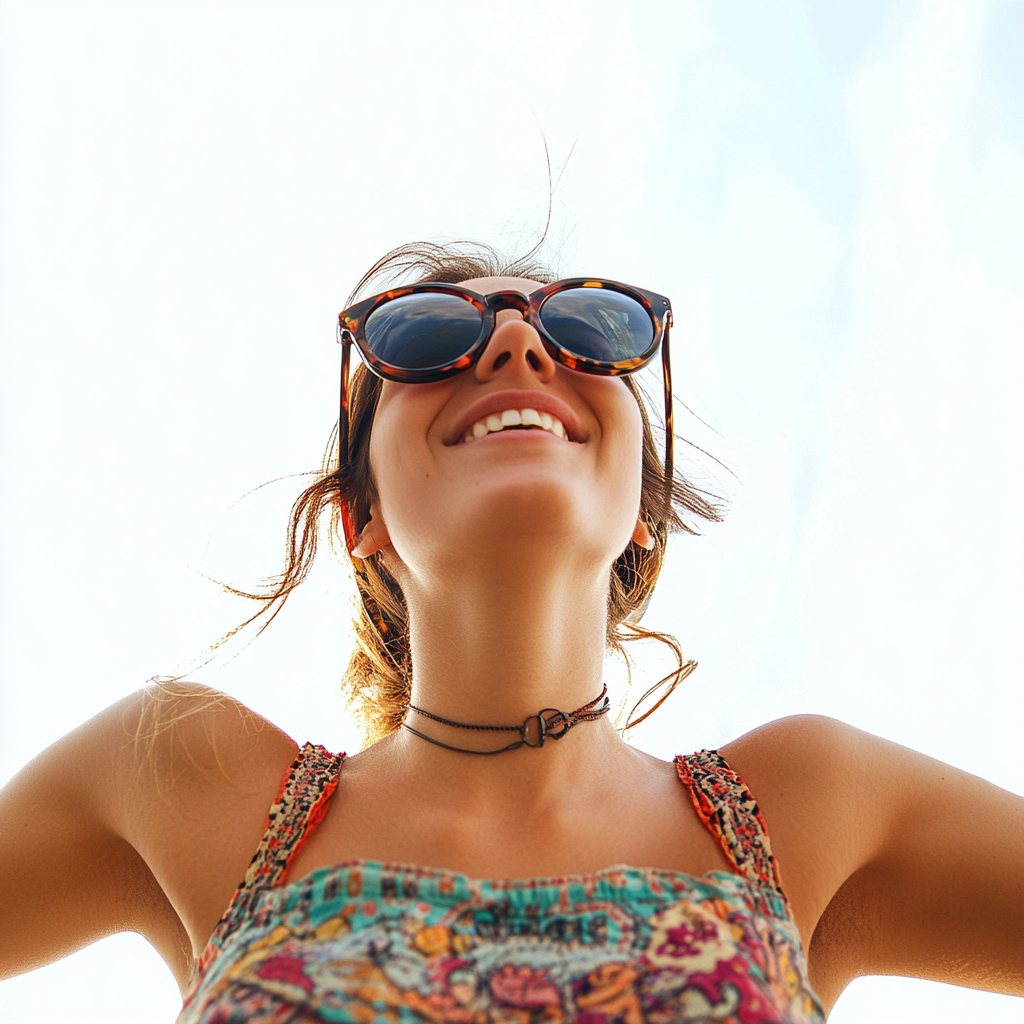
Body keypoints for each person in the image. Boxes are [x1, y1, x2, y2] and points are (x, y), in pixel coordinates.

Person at [1, 242, 1021, 1024]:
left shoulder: (807, 804)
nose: (515, 343)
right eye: (423, 338)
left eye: (589, 325)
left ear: (640, 509)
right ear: (363, 514)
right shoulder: (189, 777)